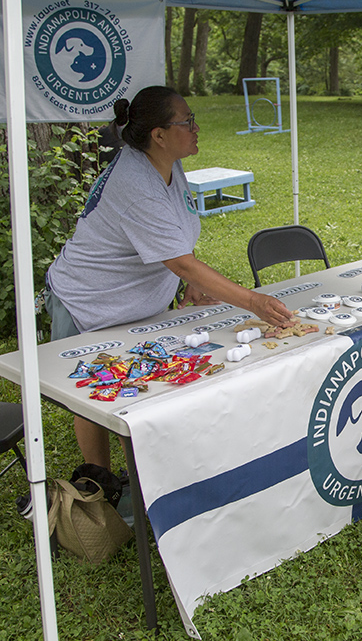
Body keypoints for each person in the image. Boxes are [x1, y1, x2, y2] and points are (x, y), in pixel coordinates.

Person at [45, 85, 295, 470]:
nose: (196, 127)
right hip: (88, 301)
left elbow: (176, 236)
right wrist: (252, 301)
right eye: (187, 121)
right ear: (158, 135)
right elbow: (179, 263)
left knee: (138, 384)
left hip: (131, 304)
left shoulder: (166, 164)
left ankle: (144, 477)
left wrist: (193, 283)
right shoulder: (135, 184)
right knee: (95, 397)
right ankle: (102, 486)